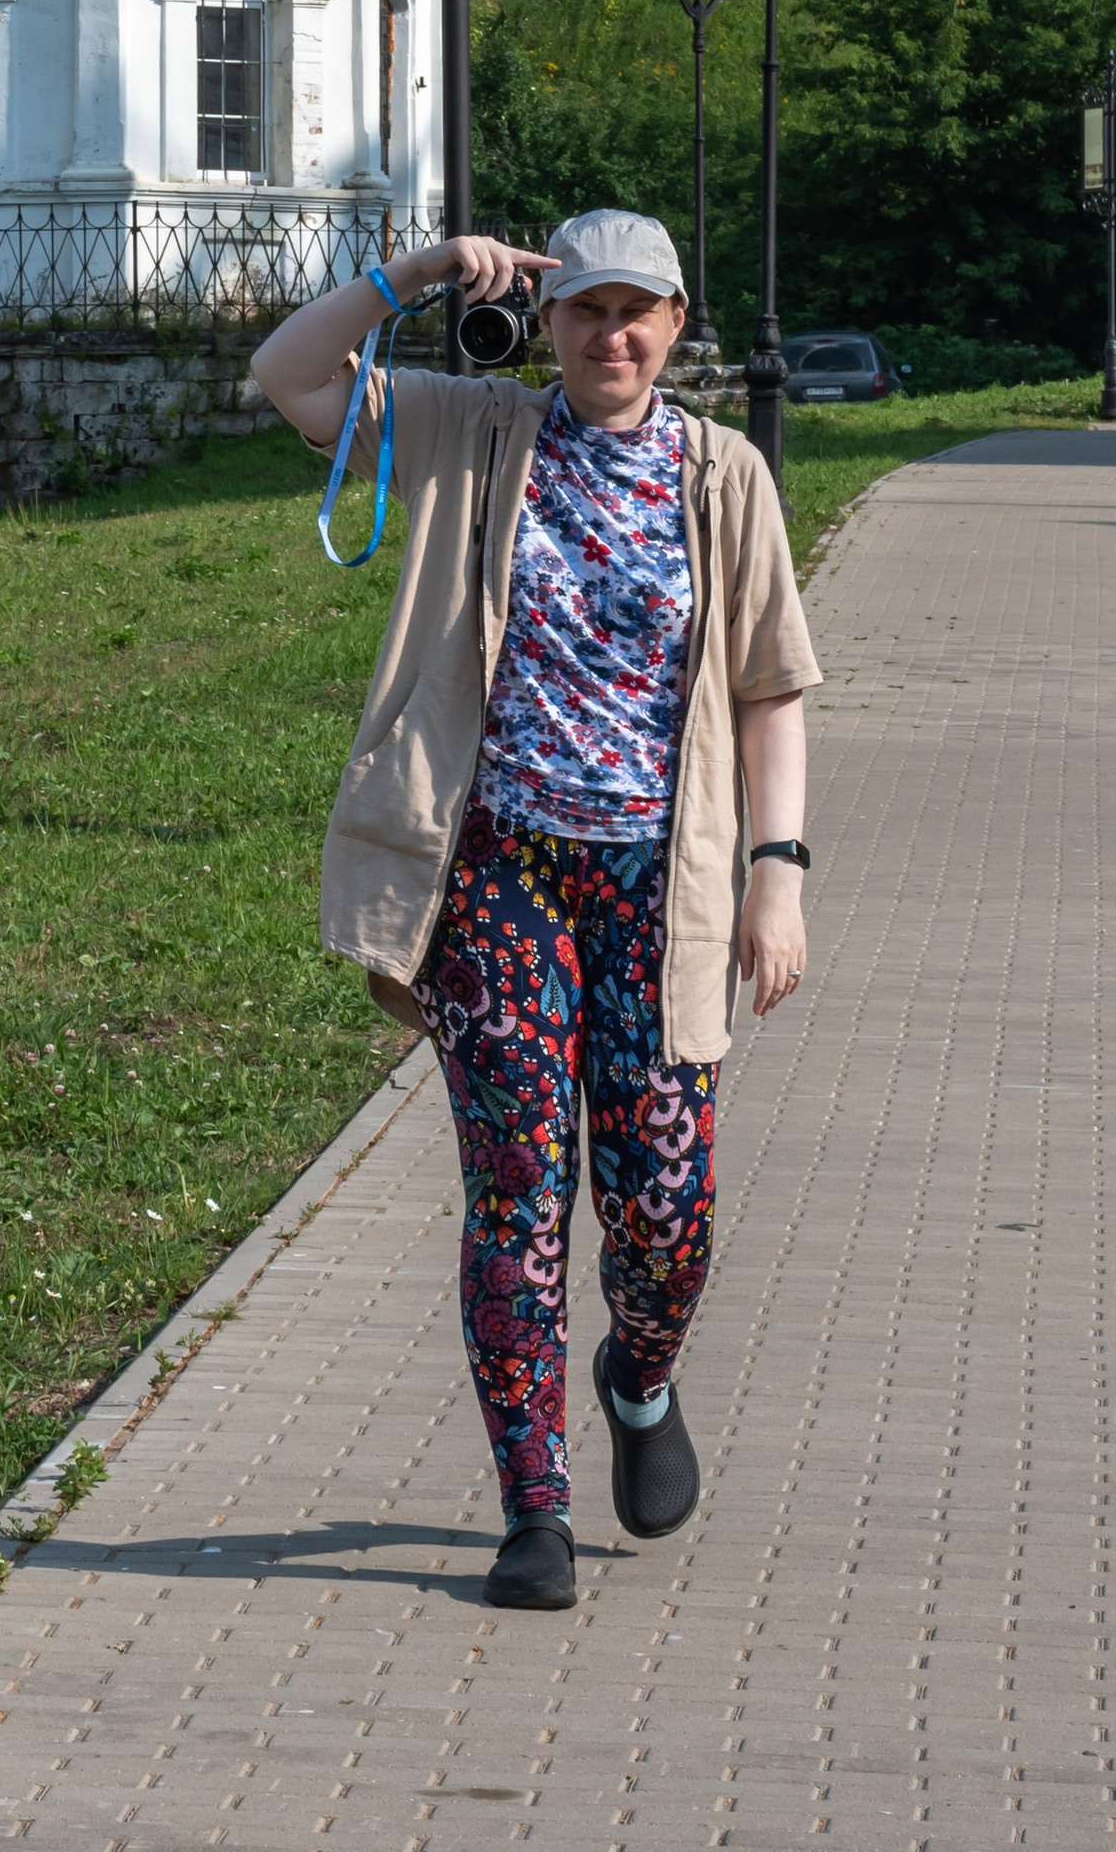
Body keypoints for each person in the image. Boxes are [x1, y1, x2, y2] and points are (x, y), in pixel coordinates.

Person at [251, 207, 820, 1614]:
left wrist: (776, 873)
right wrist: (430, 270)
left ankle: (637, 1376)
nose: (609, 336)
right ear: (549, 317)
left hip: (658, 884)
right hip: (499, 876)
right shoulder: (468, 431)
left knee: (666, 1208)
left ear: (677, 328)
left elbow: (769, 685)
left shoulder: (723, 475)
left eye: (638, 313)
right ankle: (535, 1512)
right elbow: (289, 374)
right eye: (583, 309)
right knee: (515, 1194)